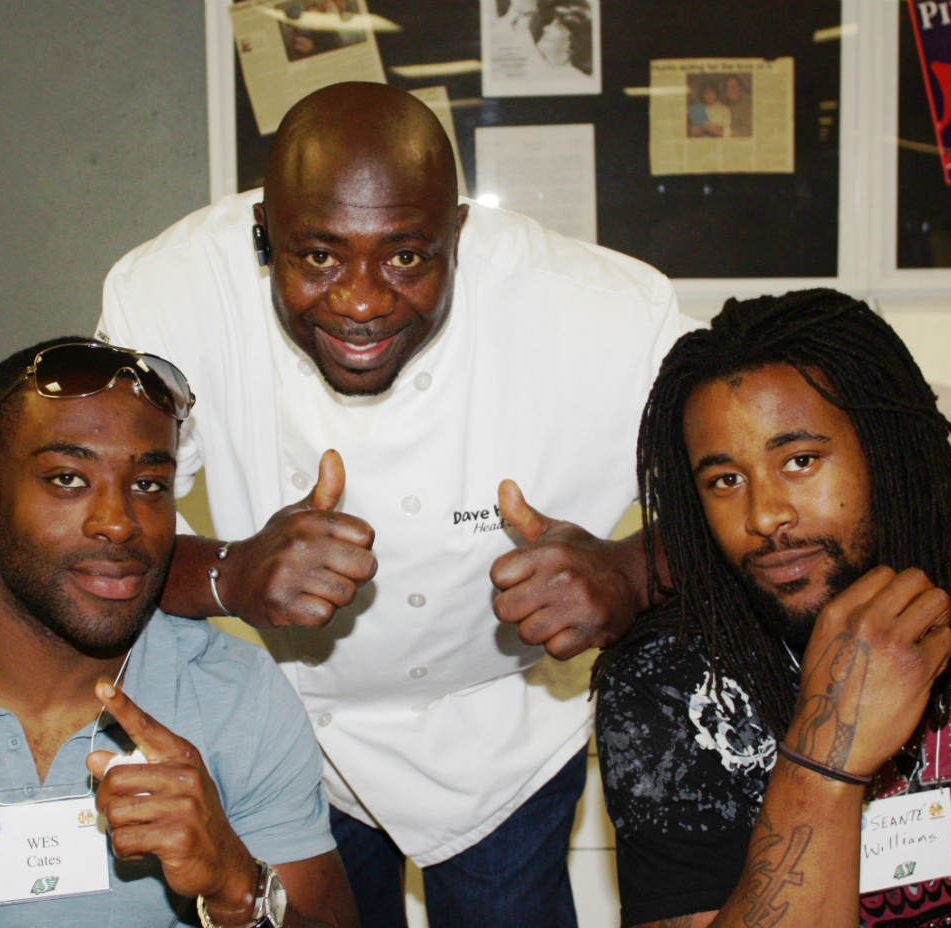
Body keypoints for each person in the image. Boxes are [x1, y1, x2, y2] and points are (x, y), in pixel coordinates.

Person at [99, 81, 692, 925]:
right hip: (291, 733)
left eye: (407, 257)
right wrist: (230, 574)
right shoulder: (169, 295)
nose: (362, 301)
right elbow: (95, 542)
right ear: (263, 231)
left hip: (502, 735)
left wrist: (632, 570)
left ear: (460, 233)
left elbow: (766, 504)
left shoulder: (606, 313)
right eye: (318, 257)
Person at [0, 338, 357, 928]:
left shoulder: (239, 697)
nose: (117, 522)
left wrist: (237, 887)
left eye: (148, 484)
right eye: (67, 478)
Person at [595, 289, 951, 927]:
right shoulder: (665, 679)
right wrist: (826, 757)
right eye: (726, 480)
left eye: (800, 461)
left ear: (883, 448)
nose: (765, 515)